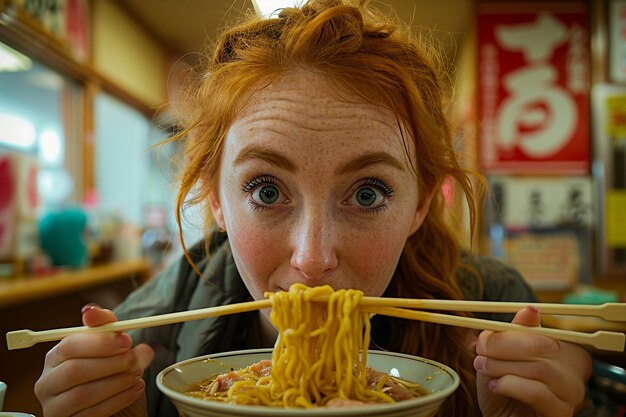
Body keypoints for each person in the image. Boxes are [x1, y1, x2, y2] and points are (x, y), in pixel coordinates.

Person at [34, 1, 593, 416]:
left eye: (368, 193)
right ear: (216, 198)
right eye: (267, 191)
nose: (313, 258)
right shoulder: (152, 332)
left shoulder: (490, 312)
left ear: (421, 202)